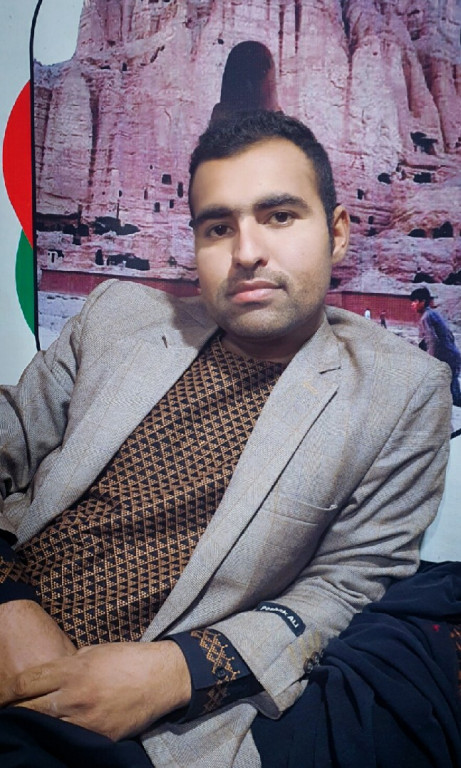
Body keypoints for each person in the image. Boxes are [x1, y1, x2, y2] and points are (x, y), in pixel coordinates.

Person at [0, 111, 452, 768]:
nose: (245, 253)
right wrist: (8, 604)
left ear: (337, 233)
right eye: (218, 227)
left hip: (141, 724)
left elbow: (349, 583)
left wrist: (176, 673)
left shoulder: (399, 390)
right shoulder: (117, 317)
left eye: (279, 216)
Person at [410, 286, 461, 406]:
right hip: (450, 356)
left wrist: (431, 361)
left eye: (415, 301)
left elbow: (432, 341)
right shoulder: (433, 314)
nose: (412, 304)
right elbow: (447, 335)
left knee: (451, 395)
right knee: (452, 392)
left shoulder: (426, 317)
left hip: (446, 359)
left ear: (422, 302)